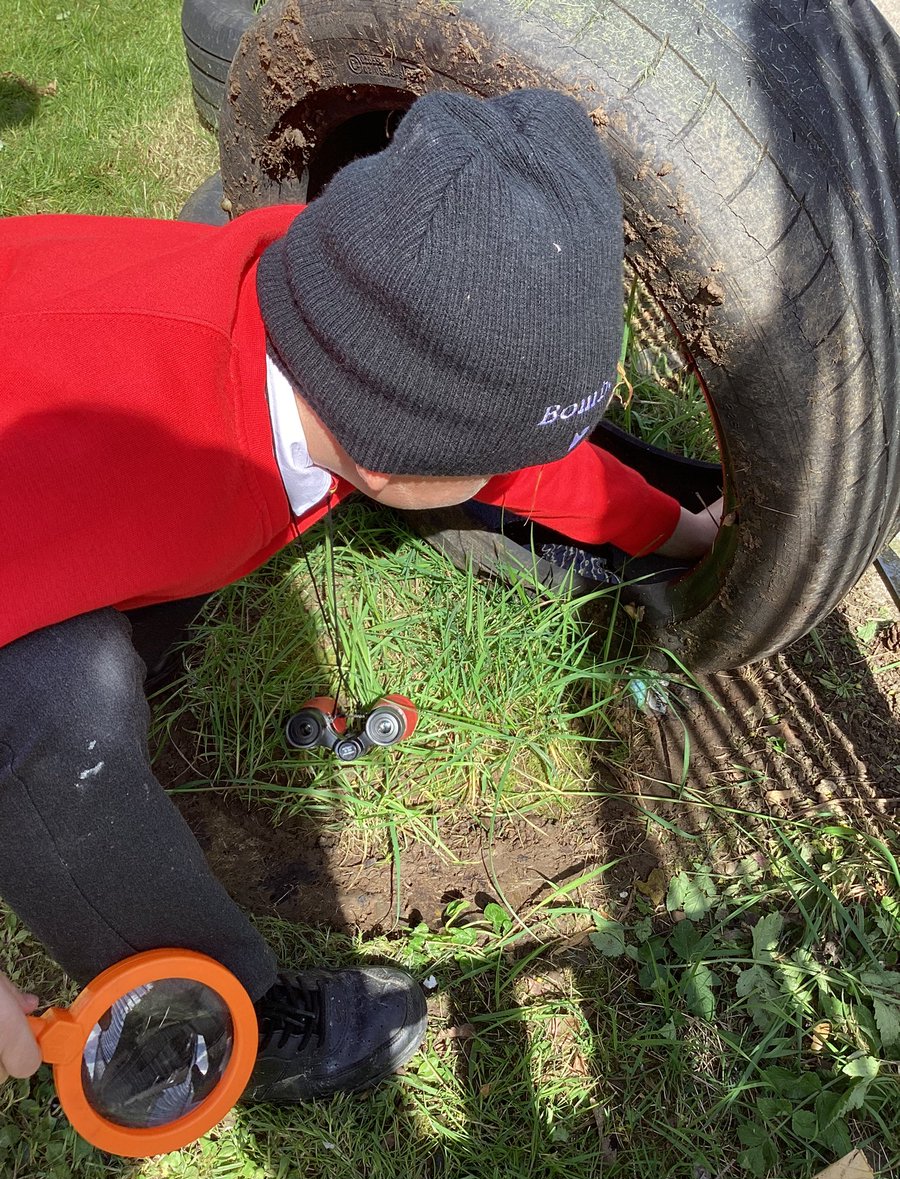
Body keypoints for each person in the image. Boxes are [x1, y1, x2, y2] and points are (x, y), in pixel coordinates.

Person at [0, 88, 720, 1108]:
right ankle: (213, 1026)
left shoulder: (328, 289)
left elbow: (509, 462)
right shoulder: (106, 455)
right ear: (392, 461)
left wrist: (679, 532)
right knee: (49, 710)